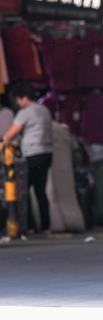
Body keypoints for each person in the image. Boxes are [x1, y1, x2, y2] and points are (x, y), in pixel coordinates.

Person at [1, 82, 53, 233]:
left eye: (18, 100)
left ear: (23, 98)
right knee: (40, 190)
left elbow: (10, 134)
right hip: (47, 154)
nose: (17, 103)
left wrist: (3, 143)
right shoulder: (44, 110)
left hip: (32, 154)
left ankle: (28, 226)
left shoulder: (25, 112)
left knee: (23, 190)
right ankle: (45, 226)